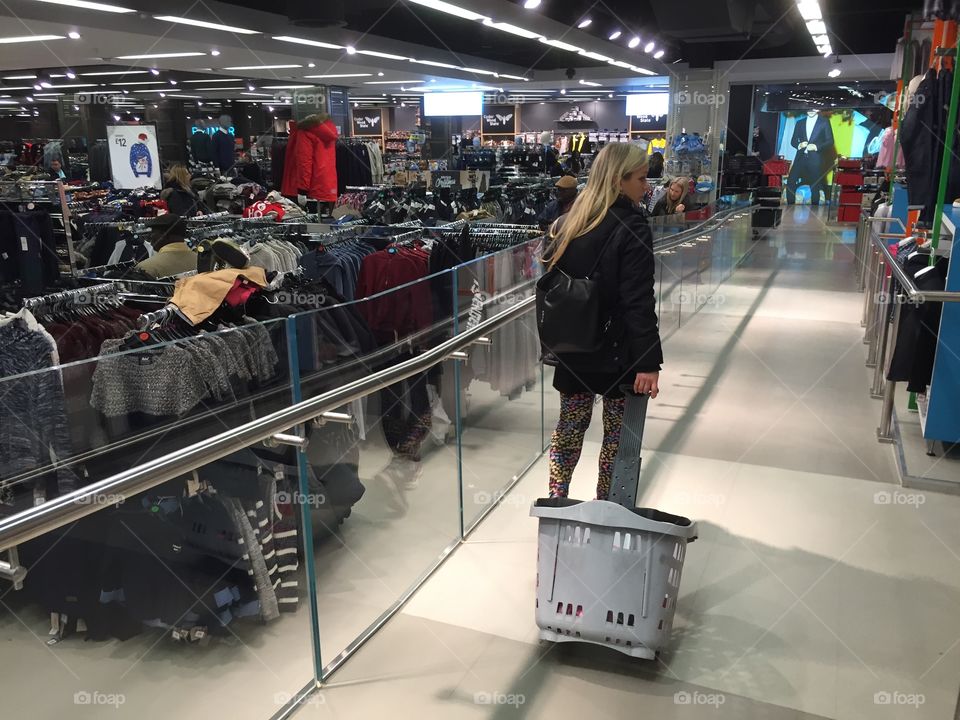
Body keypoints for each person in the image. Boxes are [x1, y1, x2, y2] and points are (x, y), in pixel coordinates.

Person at [540, 143, 663, 500]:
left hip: (573, 346)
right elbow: (637, 300)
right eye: (641, 178)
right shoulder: (633, 225)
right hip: (617, 352)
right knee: (617, 440)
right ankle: (606, 511)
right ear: (619, 180)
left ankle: (556, 500)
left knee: (569, 429)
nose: (647, 186)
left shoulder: (568, 222)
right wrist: (649, 361)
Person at [135, 214, 197, 278]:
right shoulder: (203, 262)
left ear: (163, 235)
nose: (150, 236)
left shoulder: (146, 268)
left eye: (153, 232)